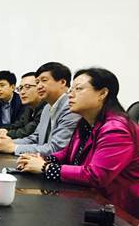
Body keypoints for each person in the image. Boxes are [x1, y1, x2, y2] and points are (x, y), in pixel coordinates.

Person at [16, 68, 139, 215]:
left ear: (102, 93)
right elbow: (68, 153)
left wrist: (46, 167)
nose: (70, 94)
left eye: (78, 89)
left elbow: (96, 176)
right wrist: (42, 158)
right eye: (71, 89)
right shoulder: (86, 122)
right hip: (87, 199)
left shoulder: (116, 129)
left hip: (117, 211)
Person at [0, 62, 80, 156]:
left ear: (62, 82)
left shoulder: (70, 108)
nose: (39, 86)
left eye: (44, 80)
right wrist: (9, 142)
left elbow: (57, 149)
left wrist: (14, 148)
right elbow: (36, 138)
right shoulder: (47, 107)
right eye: (37, 82)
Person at [0, 72, 47, 139]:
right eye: (20, 88)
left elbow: (26, 132)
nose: (22, 92)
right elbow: (16, 126)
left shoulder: (45, 108)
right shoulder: (29, 108)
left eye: (27, 87)